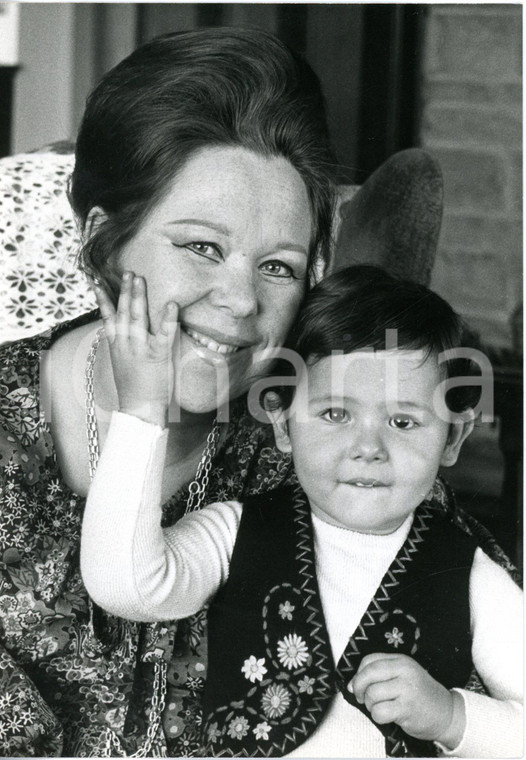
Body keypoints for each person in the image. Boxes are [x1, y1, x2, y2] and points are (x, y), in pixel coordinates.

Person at [0, 27, 337, 757]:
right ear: (103, 239)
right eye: (202, 247)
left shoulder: (323, 444)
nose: (241, 301)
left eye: (278, 266)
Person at [81, 265, 522, 758]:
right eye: (335, 414)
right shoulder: (235, 532)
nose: (368, 447)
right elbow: (126, 587)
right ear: (283, 423)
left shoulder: (467, 571)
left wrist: (451, 716)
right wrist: (141, 410)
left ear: (452, 438)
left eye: (403, 421)